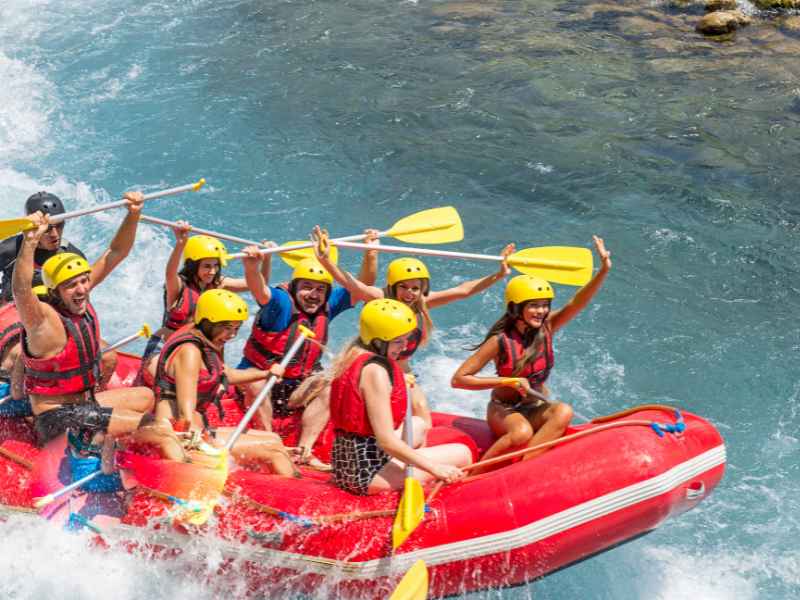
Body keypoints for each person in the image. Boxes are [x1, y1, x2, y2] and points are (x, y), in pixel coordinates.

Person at [12, 197, 181, 466]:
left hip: (84, 404)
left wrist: (133, 215)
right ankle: (186, 481)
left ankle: (116, 439)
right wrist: (31, 241)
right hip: (59, 421)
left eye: (84, 281)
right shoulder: (44, 320)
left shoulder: (81, 297)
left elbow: (115, 252)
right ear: (55, 291)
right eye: (71, 285)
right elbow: (21, 290)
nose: (81, 289)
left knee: (146, 397)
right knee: (155, 429)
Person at [312, 225, 513, 434]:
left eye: (415, 288)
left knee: (422, 413)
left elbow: (463, 290)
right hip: (371, 368)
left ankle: (403, 458)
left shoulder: (423, 303)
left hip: (401, 370)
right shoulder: (380, 297)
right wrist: (326, 260)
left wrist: (498, 274)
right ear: (393, 286)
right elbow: (353, 285)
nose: (409, 293)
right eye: (403, 287)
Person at [451, 236, 612, 473]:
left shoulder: (547, 327)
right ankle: (473, 475)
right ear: (517, 308)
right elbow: (459, 379)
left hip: (534, 406)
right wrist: (508, 381)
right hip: (503, 410)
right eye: (534, 305)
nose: (542, 311)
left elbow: (578, 302)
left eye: (544, 305)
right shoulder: (499, 341)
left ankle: (524, 470)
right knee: (521, 432)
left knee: (563, 411)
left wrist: (603, 270)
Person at [238, 233, 379, 469]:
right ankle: (270, 444)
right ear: (294, 287)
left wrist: (371, 254)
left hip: (296, 386)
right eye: (306, 287)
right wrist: (252, 267)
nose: (313, 295)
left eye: (319, 289)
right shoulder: (281, 303)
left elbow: (360, 287)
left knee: (332, 383)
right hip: (262, 379)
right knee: (255, 384)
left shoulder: (327, 304)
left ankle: (304, 450)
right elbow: (260, 290)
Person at [329, 298, 471, 495]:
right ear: (377, 341)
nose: (404, 347)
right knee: (462, 453)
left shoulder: (353, 355)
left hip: (349, 461)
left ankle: (416, 481)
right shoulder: (375, 371)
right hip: (365, 472)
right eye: (397, 341)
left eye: (406, 339)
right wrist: (434, 468)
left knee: (418, 424)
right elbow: (386, 440)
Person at [153, 288, 297, 476]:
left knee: (274, 439)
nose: (231, 335)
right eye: (227, 328)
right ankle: (290, 499)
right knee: (274, 451)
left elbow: (224, 374)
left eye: (236, 329)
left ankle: (262, 486)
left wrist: (265, 374)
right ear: (208, 323)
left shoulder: (205, 341)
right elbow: (185, 415)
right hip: (181, 434)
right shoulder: (190, 352)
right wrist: (191, 452)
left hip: (199, 430)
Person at [137, 224, 267, 385]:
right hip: (165, 348)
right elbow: (169, 272)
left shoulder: (219, 284)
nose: (212, 271)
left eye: (215, 266)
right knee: (166, 384)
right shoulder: (178, 286)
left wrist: (263, 260)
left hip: (200, 349)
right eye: (206, 266)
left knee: (212, 385)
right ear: (193, 265)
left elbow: (259, 285)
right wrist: (180, 243)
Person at [0, 192, 86, 306]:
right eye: (47, 228)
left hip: (50, 317)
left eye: (59, 225)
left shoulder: (73, 257)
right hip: (10, 312)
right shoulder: (8, 250)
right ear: (33, 227)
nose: (55, 234)